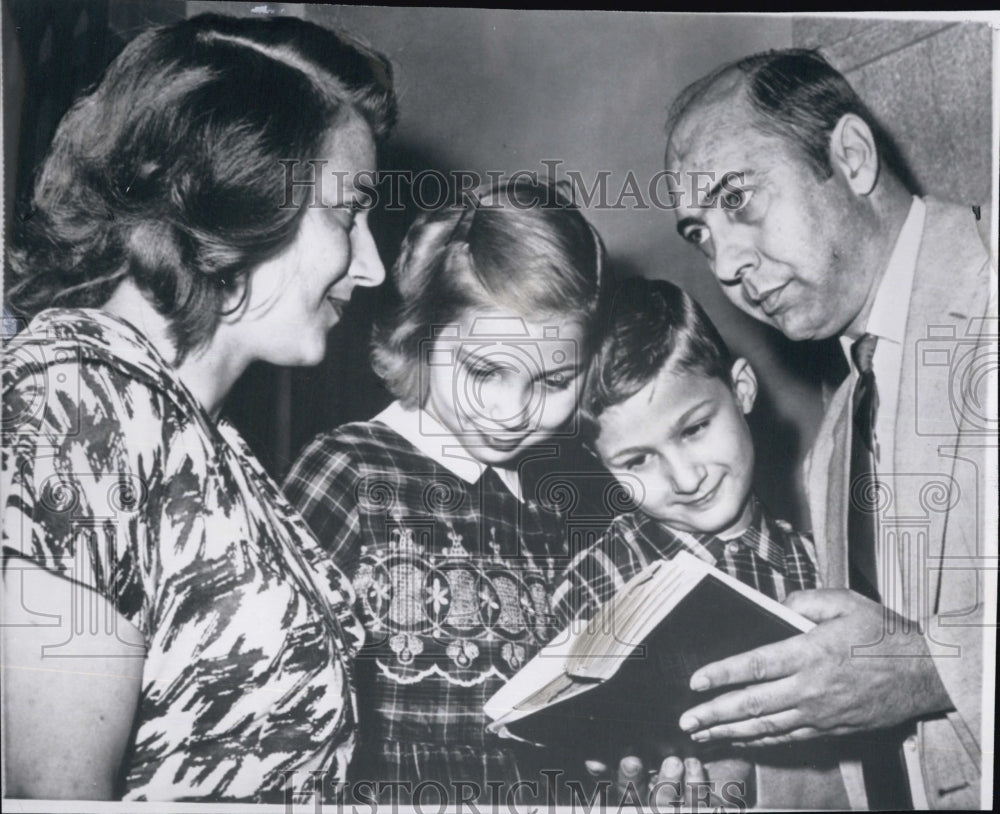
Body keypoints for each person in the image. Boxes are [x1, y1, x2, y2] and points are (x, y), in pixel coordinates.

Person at [1, 13, 395, 803]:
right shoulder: (80, 399)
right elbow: (53, 797)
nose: (374, 266)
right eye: (349, 212)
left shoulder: (194, 433)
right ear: (236, 185)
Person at [660, 49, 994, 809]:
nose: (727, 265)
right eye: (699, 234)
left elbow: (907, 673)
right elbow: (874, 744)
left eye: (737, 200)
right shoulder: (840, 431)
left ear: (850, 155)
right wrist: (728, 783)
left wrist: (928, 666)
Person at [284, 178, 608, 805]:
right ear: (420, 335)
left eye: (554, 380)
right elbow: (279, 697)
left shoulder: (557, 506)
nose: (511, 411)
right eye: (484, 370)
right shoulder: (349, 470)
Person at [551, 276, 852, 809]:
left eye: (693, 429)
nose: (685, 478)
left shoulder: (828, 561)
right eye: (637, 460)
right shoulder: (594, 581)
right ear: (604, 468)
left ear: (742, 390)